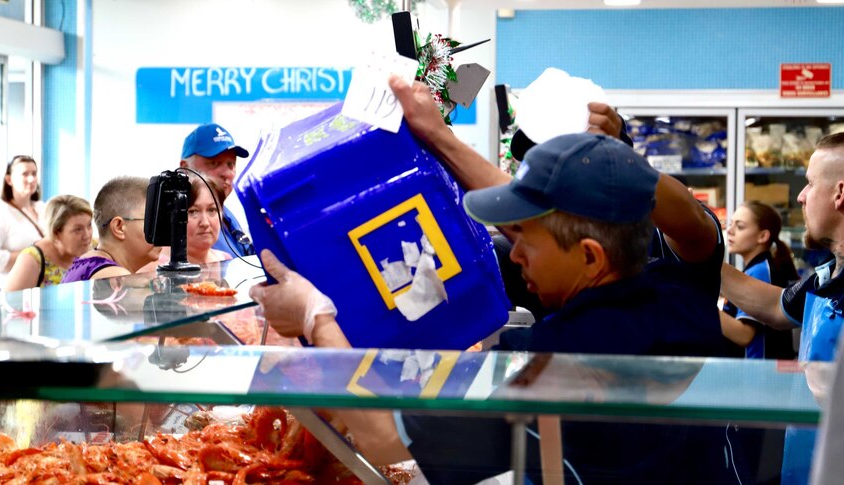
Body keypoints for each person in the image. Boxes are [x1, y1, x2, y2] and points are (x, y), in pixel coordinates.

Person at [250, 130, 739, 483]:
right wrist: (607, 167)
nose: (514, 249)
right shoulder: (683, 291)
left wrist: (316, 315)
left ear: (590, 257)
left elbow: (380, 436)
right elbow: (695, 220)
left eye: (525, 234)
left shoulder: (544, 363)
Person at [720, 132, 844, 485]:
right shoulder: (826, 276)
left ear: (839, 194)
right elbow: (775, 305)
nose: (801, 196)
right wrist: (704, 258)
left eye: (808, 184)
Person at [721, 200, 799, 359]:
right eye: (731, 224)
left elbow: (744, 335)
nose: (729, 230)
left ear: (763, 236)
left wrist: (702, 305)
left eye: (740, 226)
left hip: (759, 374)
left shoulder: (760, 271)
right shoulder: (757, 268)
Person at [61, 176, 161, 283]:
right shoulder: (117, 278)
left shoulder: (87, 263)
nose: (162, 231)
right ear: (119, 227)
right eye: (153, 222)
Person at [180, 123, 255, 259]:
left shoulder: (227, 215)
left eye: (230, 164)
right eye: (214, 163)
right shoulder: (173, 220)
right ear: (185, 168)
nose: (226, 173)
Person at [2, 195, 93, 292]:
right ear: (56, 233)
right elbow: (8, 304)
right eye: (78, 230)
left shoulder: (94, 247)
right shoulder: (32, 260)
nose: (87, 235)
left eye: (89, 225)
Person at [0, 155, 47, 291]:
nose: (31, 179)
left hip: (41, 288)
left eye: (34, 174)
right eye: (25, 174)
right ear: (9, 179)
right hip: (9, 292)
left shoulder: (43, 208)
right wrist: (33, 256)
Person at [145, 174, 231, 268]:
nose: (205, 223)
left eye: (212, 210)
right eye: (193, 212)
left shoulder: (225, 261)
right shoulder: (155, 270)